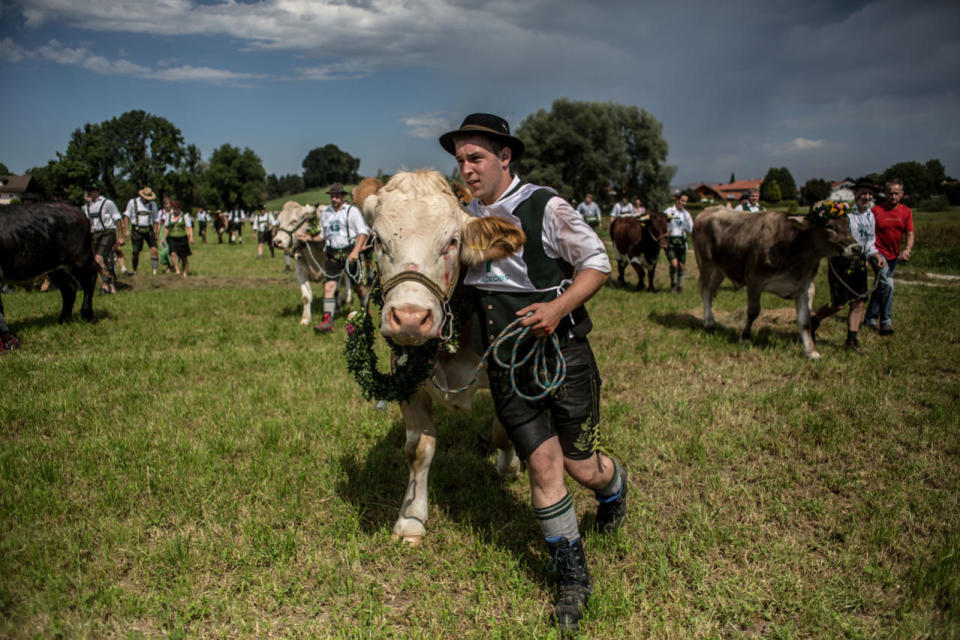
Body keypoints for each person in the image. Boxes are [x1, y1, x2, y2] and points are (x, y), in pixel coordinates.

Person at [438, 113, 627, 633]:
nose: (467, 169)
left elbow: (597, 262)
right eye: (460, 160)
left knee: (579, 466)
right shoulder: (462, 217)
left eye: (475, 157)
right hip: (506, 364)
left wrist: (557, 307)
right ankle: (572, 577)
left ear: (505, 156)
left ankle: (614, 488)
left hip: (562, 357)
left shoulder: (544, 205)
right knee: (544, 470)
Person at [810, 179, 886, 351]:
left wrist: (874, 254)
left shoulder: (870, 216)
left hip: (859, 262)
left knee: (858, 301)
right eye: (863, 193)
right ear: (855, 194)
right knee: (838, 304)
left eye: (869, 194)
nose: (866, 197)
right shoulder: (844, 213)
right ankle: (814, 321)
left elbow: (870, 240)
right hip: (840, 261)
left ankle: (852, 340)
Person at [298, 183, 369, 332]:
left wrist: (356, 252)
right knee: (329, 286)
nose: (334, 199)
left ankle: (366, 310)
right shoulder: (327, 213)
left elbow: (362, 233)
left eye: (337, 196)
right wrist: (309, 238)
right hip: (332, 253)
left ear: (343, 196)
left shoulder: (352, 211)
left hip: (350, 252)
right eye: (332, 196)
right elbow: (323, 236)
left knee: (358, 286)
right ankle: (327, 320)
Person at [865, 179, 914, 335]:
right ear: (885, 194)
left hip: (894, 254)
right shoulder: (876, 211)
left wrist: (907, 249)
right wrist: (867, 255)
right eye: (890, 193)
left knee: (881, 286)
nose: (893, 196)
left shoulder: (906, 212)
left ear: (902, 194)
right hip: (877, 253)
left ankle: (870, 318)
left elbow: (910, 233)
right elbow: (868, 234)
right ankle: (886, 322)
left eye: (896, 193)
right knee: (888, 284)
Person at [82, 184, 123, 294]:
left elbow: (118, 219)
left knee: (98, 259)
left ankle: (105, 284)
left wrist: (120, 236)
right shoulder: (87, 206)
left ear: (96, 191)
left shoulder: (107, 203)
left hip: (108, 233)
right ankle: (111, 284)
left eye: (90, 190)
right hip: (95, 235)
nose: (89, 193)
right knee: (104, 260)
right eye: (88, 191)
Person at [123, 187, 160, 275]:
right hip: (136, 229)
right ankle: (135, 270)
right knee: (136, 252)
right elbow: (126, 215)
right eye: (146, 199)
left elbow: (156, 220)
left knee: (154, 250)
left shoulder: (153, 204)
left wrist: (155, 232)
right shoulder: (133, 202)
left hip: (149, 229)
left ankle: (154, 272)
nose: (148, 200)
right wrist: (127, 230)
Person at [664, 193, 694, 292]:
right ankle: (673, 285)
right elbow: (662, 223)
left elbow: (692, 229)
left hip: (681, 241)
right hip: (671, 241)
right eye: (682, 201)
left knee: (681, 266)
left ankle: (680, 287)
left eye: (686, 201)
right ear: (677, 200)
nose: (684, 203)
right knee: (674, 264)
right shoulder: (669, 211)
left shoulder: (686, 214)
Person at [161, 200, 194, 277]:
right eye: (174, 208)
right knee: (172, 253)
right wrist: (163, 238)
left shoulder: (184, 216)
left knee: (183, 256)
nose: (175, 210)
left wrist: (191, 237)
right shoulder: (169, 216)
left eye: (177, 208)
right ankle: (177, 270)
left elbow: (189, 227)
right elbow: (166, 227)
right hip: (172, 237)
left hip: (182, 238)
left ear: (180, 208)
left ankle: (185, 272)